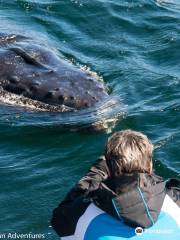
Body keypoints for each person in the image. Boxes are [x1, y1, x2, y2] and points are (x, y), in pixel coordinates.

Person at [51, 130, 180, 240]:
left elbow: (59, 219)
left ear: (108, 166)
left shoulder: (82, 211)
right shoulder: (174, 200)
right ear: (150, 165)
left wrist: (96, 172)